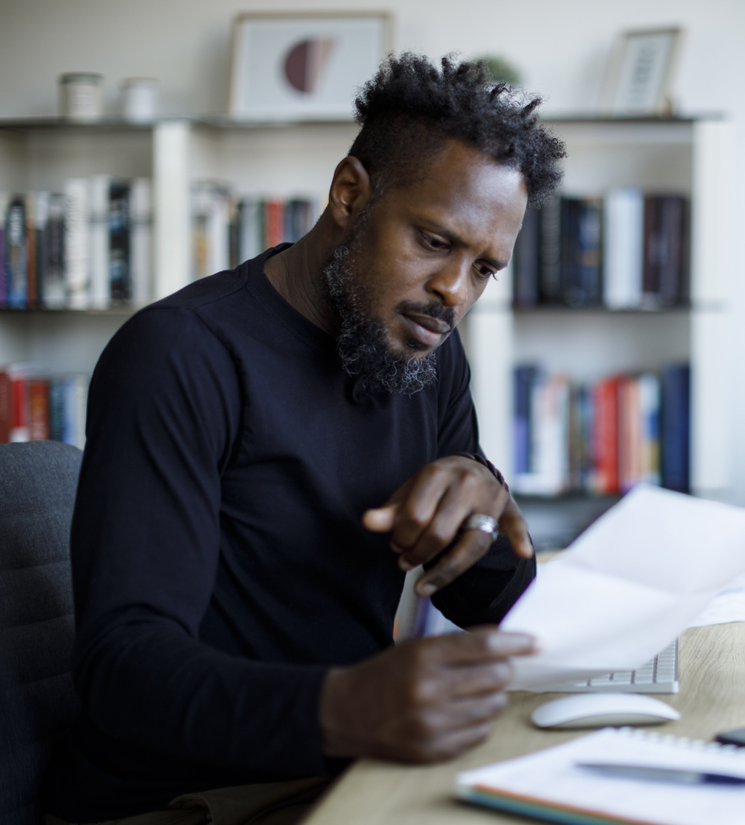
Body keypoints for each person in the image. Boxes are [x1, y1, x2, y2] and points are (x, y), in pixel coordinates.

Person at [44, 53, 566, 824]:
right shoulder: (180, 355)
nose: (455, 292)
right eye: (432, 241)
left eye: (484, 268)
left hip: (345, 768)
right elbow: (124, 672)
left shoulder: (425, 347)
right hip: (184, 800)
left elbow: (485, 596)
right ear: (350, 195)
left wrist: (483, 508)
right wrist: (345, 705)